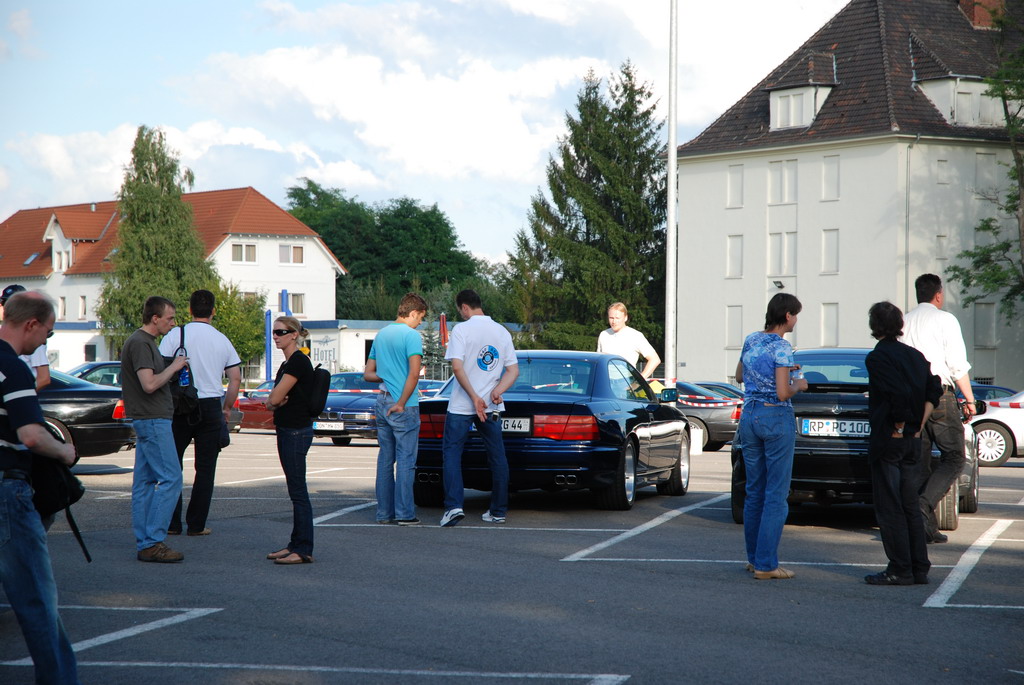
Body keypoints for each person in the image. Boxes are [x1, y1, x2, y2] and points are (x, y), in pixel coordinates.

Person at [0, 291, 81, 684]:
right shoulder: (13, 368)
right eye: (47, 333)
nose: (45, 340)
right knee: (36, 599)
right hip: (7, 491)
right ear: (31, 324)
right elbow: (31, 435)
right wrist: (65, 452)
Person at [864, 302, 942, 586]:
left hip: (891, 439)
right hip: (912, 440)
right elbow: (935, 388)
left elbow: (895, 393)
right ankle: (919, 567)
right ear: (899, 324)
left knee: (890, 506)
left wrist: (899, 425)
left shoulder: (877, 358)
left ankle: (899, 568)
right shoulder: (915, 355)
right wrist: (919, 424)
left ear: (874, 326)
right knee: (909, 503)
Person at [734, 293, 807, 580]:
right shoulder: (782, 346)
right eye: (796, 315)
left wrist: (779, 372)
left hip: (749, 415)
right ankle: (767, 565)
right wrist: (798, 383)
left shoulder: (751, 339)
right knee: (776, 494)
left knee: (755, 491)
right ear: (787, 315)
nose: (796, 320)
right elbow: (782, 392)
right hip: (775, 417)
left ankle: (754, 560)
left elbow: (740, 376)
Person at [158, 289, 242, 537]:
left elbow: (160, 369)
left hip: (180, 405)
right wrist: (227, 408)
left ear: (190, 310)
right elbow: (235, 378)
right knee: (205, 469)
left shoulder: (175, 335)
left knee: (172, 465)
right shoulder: (222, 340)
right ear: (213, 311)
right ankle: (196, 524)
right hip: (210, 406)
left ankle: (172, 523)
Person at [901, 274, 976, 544]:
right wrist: (969, 400)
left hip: (910, 398)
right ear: (938, 295)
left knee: (921, 462)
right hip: (939, 396)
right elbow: (956, 364)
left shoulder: (904, 321)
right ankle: (924, 504)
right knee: (955, 457)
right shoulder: (945, 320)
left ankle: (926, 528)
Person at [439, 289, 519, 527]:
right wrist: (497, 391)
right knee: (497, 456)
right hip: (492, 406)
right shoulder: (501, 331)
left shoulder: (461, 330)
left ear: (464, 307)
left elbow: (457, 367)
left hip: (462, 405)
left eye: (460, 310)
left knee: (452, 453)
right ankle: (498, 511)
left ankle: (453, 507)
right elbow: (513, 370)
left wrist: (474, 397)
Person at [121, 296, 188, 562]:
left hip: (148, 418)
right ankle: (152, 541)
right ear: (155, 318)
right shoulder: (141, 343)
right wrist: (175, 366)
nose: (173, 323)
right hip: (152, 419)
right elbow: (148, 384)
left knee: (145, 483)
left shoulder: (144, 342)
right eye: (169, 318)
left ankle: (146, 543)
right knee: (171, 478)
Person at [363, 292, 427, 525]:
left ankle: (384, 514)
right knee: (406, 461)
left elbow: (368, 374)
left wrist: (388, 375)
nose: (420, 322)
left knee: (385, 460)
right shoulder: (411, 336)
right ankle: (405, 514)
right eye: (421, 317)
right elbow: (414, 374)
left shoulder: (381, 334)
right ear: (413, 313)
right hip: (403, 404)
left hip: (381, 401)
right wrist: (401, 402)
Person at [264, 316, 315, 564]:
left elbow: (274, 399)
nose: (275, 336)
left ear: (294, 334)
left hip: (296, 432)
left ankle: (303, 549)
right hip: (287, 429)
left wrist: (273, 401)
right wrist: (273, 401)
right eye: (274, 332)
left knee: (298, 492)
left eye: (281, 332)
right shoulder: (287, 364)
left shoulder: (297, 362)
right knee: (295, 491)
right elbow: (273, 400)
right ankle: (295, 544)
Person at [1, 284, 51, 391]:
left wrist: (23, 392)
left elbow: (44, 378)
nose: (7, 308)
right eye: (5, 303)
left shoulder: (33, 338)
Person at [596, 302, 661, 379]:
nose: (614, 321)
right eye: (611, 318)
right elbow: (598, 361)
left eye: (617, 318)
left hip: (626, 380)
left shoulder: (635, 336)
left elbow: (655, 359)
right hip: (604, 380)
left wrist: (639, 381)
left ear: (625, 318)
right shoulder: (603, 335)